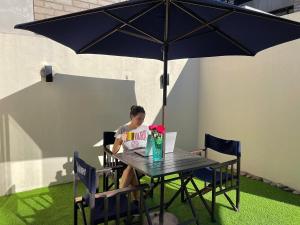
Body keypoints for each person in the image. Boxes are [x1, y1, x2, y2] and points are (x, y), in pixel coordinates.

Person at [112, 105, 148, 200]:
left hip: (142, 160)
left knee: (132, 168)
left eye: (143, 119)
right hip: (126, 160)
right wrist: (120, 139)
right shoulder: (123, 129)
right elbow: (114, 151)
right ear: (132, 117)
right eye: (139, 118)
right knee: (131, 167)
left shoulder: (144, 129)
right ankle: (136, 200)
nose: (141, 122)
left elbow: (149, 145)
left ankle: (118, 199)